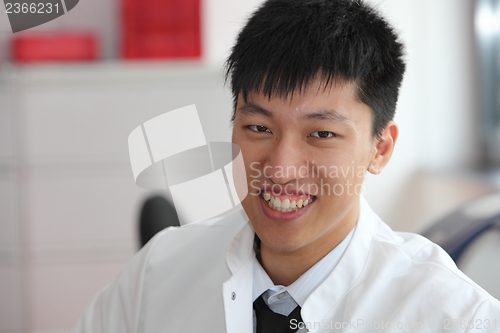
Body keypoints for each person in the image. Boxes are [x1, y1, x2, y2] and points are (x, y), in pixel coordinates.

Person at [71, 0, 500, 332]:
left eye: (321, 134)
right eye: (258, 127)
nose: (280, 168)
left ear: (380, 149)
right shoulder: (157, 276)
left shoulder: (452, 317)